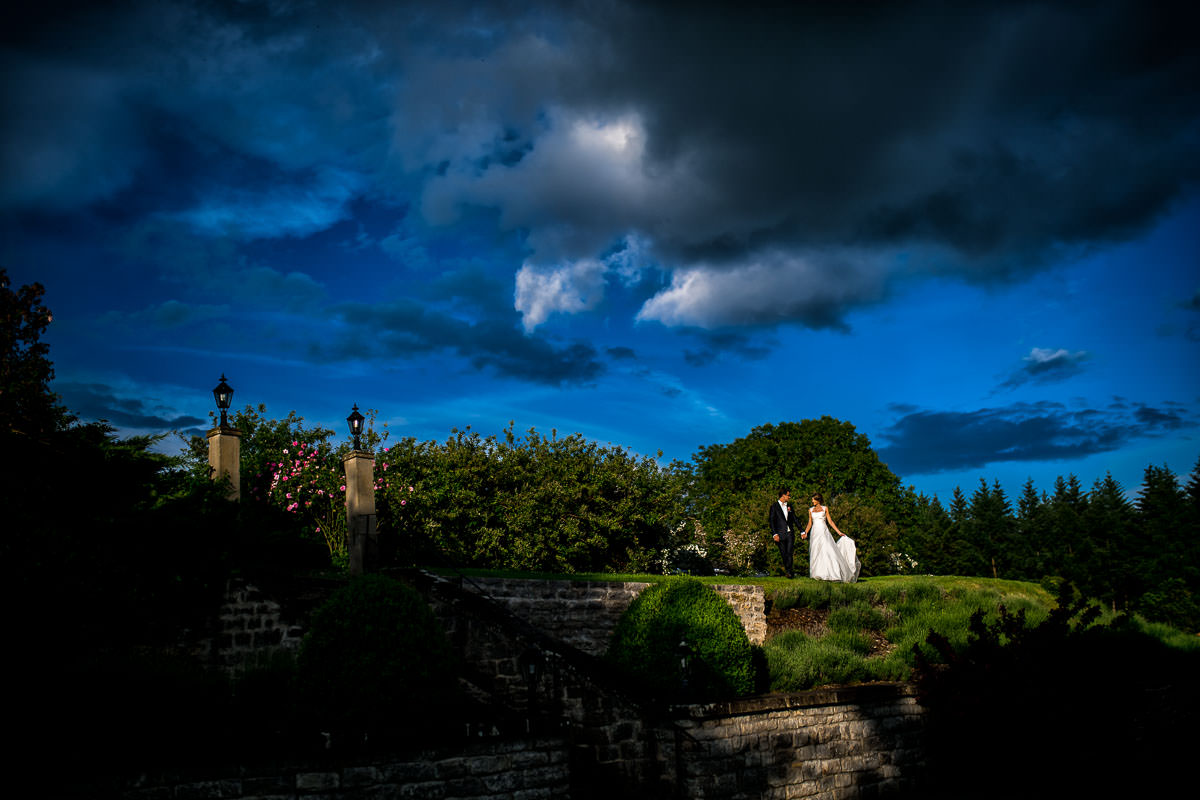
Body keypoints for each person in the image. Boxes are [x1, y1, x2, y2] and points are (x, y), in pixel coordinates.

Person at [804, 493, 860, 582]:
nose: (812, 501)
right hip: (814, 533)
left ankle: (831, 573)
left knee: (827, 551)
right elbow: (810, 523)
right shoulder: (810, 510)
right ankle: (817, 574)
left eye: (813, 499)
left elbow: (830, 521)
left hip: (823, 532)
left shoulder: (825, 508)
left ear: (818, 500)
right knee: (815, 551)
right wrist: (805, 532)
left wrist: (839, 532)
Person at [769, 489, 800, 578]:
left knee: (789, 552)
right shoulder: (774, 506)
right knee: (784, 553)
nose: (789, 497)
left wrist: (801, 530)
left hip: (790, 533)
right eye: (788, 495)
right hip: (780, 533)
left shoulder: (789, 506)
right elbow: (771, 521)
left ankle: (789, 572)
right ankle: (788, 569)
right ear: (783, 495)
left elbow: (794, 519)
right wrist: (774, 534)